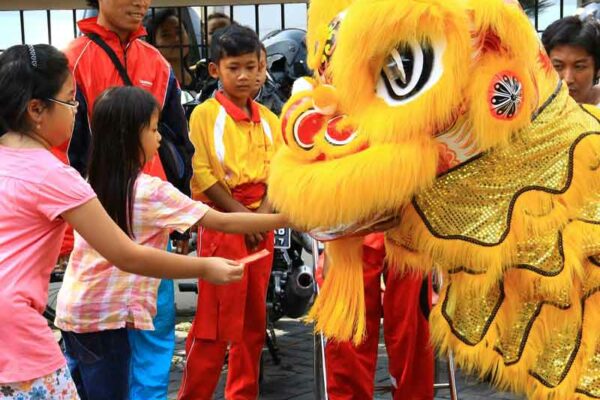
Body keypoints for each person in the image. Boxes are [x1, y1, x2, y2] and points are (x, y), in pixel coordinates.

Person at [0, 43, 242, 399]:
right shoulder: (55, 176)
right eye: (71, 101)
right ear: (37, 109)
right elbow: (125, 254)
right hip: (20, 336)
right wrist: (205, 267)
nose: (76, 112)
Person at [54, 86, 288, 400]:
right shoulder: (149, 191)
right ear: (129, 136)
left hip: (75, 313)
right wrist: (285, 220)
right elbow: (222, 221)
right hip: (109, 322)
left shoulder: (88, 183)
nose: (160, 137)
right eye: (153, 129)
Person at [53, 1, 195, 398]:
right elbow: (64, 151)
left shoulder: (158, 63)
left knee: (155, 322)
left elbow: (179, 142)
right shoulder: (72, 59)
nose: (141, 4)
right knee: (98, 330)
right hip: (97, 220)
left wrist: (179, 214)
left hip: (152, 217)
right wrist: (67, 233)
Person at [177, 24, 281, 400]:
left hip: (261, 224)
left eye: (252, 67)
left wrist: (262, 216)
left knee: (254, 321)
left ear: (262, 67)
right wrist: (245, 217)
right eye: (234, 67)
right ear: (215, 70)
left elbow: (282, 174)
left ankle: (243, 394)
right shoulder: (204, 115)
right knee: (215, 324)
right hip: (222, 224)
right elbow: (202, 175)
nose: (245, 76)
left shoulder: (271, 121)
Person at [318, 234, 434, 400]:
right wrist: (331, 242)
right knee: (348, 332)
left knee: (411, 328)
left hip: (408, 227)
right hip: (353, 227)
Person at [542, 15, 600, 105]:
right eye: (558, 66)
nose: (568, 79)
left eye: (579, 67)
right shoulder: (532, 108)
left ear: (597, 69)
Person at [144, 8, 194, 90]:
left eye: (179, 32)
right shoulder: (149, 84)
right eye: (166, 35)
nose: (176, 39)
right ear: (152, 43)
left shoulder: (202, 76)